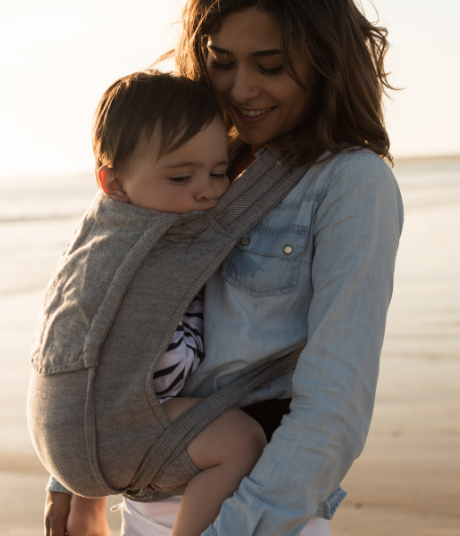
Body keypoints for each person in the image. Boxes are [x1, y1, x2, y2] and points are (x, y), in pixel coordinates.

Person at [45, 0, 403, 534]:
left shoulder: (350, 183)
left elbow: (336, 404)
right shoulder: (194, 162)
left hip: (251, 509)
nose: (240, 90)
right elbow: (101, 305)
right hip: (143, 496)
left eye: (271, 66)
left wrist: (231, 528)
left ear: (326, 61)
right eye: (222, 61)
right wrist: (71, 478)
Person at [46, 70, 285, 536]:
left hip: (82, 429)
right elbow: (241, 211)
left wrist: (71, 484)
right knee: (241, 443)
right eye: (181, 176)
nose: (208, 190)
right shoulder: (152, 234)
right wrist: (285, 164)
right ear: (112, 183)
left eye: (220, 172)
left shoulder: (101, 233)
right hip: (120, 425)